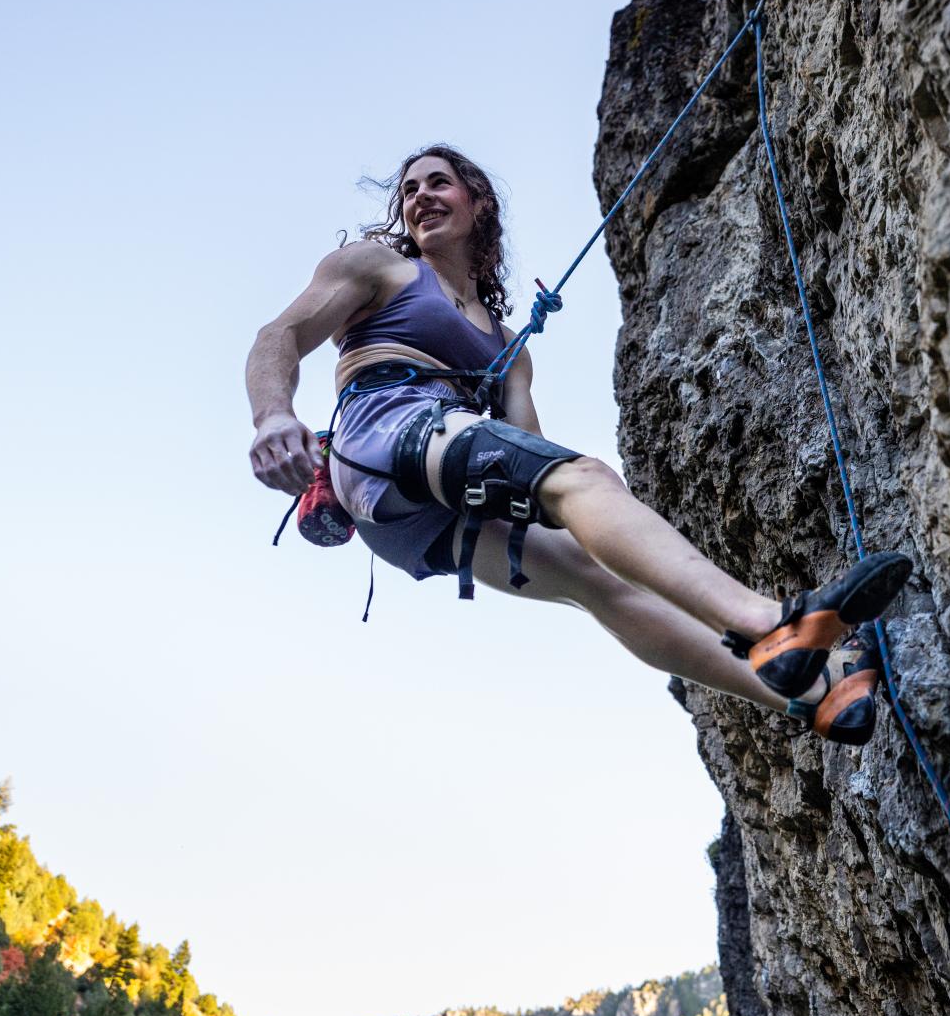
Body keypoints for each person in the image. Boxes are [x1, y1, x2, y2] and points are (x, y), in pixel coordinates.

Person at [244, 144, 909, 743]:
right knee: (584, 477)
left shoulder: (508, 346)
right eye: (410, 190)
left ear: (478, 204)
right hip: (386, 433)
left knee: (595, 579)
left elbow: (523, 452)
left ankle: (812, 697)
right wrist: (273, 417)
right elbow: (279, 335)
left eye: (438, 183)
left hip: (418, 508)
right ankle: (770, 624)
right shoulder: (376, 268)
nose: (420, 196)